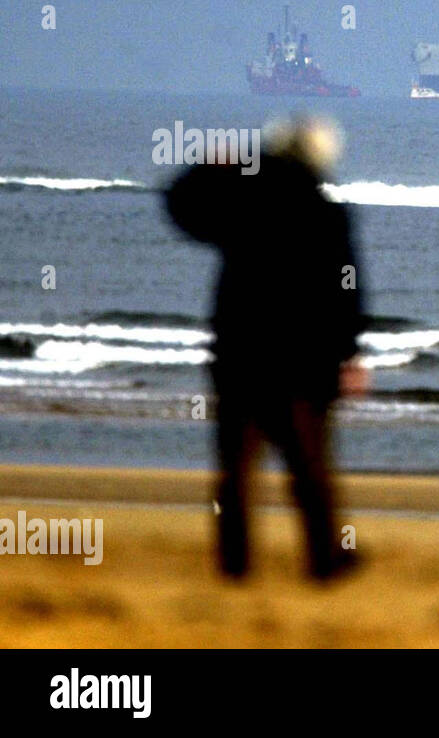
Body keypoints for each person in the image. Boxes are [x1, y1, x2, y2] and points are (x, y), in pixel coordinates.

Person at [165, 115, 368, 581]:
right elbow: (347, 289)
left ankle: (234, 564)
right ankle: (325, 560)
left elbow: (181, 209)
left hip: (241, 352)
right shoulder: (326, 211)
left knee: (236, 469)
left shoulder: (239, 201)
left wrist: (208, 168)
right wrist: (349, 352)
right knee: (311, 468)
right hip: (305, 359)